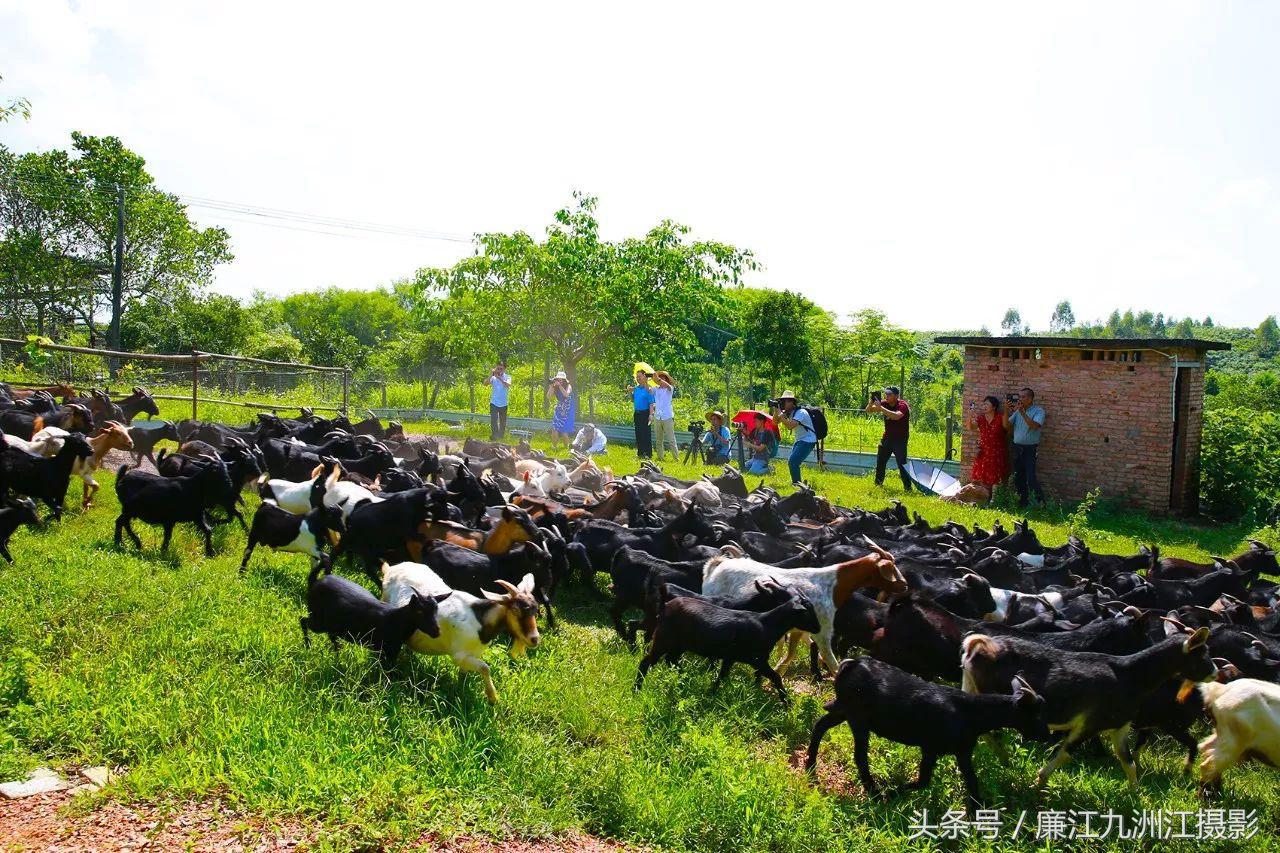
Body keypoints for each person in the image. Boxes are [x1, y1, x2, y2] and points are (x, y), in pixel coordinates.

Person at [1003, 386, 1046, 508]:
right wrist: (1006, 410)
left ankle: (1041, 504)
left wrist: (1022, 413)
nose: (1020, 399)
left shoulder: (1038, 411)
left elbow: (1035, 426)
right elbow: (1006, 425)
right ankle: (1023, 503)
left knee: (1031, 478)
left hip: (1030, 450)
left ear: (1030, 398)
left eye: (1023, 397)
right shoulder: (1017, 412)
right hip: (1017, 448)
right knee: (1019, 478)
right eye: (1019, 397)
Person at [968, 395, 1009, 496]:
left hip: (997, 452)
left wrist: (1006, 411)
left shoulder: (1000, 417)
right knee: (983, 477)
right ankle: (985, 498)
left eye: (987, 404)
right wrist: (969, 416)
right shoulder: (981, 419)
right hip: (983, 451)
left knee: (997, 477)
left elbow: (1006, 427)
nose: (984, 406)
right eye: (983, 404)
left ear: (994, 407)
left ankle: (996, 500)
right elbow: (971, 428)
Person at [777, 391, 817, 486]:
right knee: (793, 462)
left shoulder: (801, 412)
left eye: (785, 401)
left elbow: (791, 426)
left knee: (793, 462)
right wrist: (776, 410)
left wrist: (781, 416)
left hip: (808, 440)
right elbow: (775, 422)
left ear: (792, 402)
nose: (783, 403)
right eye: (781, 401)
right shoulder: (789, 413)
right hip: (800, 440)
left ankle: (797, 485)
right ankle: (797, 484)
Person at [651, 370, 678, 462]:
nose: (661, 379)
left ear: (666, 379)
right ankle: (660, 457)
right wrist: (645, 380)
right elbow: (648, 390)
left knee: (671, 440)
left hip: (667, 417)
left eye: (663, 377)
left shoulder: (670, 388)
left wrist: (657, 379)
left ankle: (676, 458)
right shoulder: (656, 389)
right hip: (658, 417)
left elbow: (666, 385)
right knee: (659, 440)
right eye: (660, 377)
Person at [546, 371, 575, 451]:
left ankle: (567, 447)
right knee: (555, 427)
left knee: (564, 430)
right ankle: (554, 446)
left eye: (561, 380)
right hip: (560, 408)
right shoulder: (555, 387)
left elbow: (566, 395)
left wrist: (560, 387)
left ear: (564, 381)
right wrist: (552, 386)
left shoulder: (569, 386)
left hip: (568, 409)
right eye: (558, 380)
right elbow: (548, 396)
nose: (559, 381)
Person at [632, 367, 655, 459]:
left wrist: (651, 414)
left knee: (646, 433)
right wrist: (630, 392)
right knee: (638, 433)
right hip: (637, 413)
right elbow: (634, 400)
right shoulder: (636, 389)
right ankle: (640, 452)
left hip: (645, 413)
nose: (638, 378)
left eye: (640, 376)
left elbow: (651, 403)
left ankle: (648, 453)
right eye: (637, 377)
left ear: (645, 377)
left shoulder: (648, 389)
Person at [488, 359, 512, 441]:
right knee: (494, 420)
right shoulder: (493, 377)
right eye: (498, 369)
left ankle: (501, 436)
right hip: (494, 402)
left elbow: (507, 385)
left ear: (504, 369)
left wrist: (500, 378)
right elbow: (485, 383)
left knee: (502, 422)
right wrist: (491, 375)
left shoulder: (508, 377)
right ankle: (494, 436)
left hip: (504, 403)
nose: (499, 370)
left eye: (501, 369)